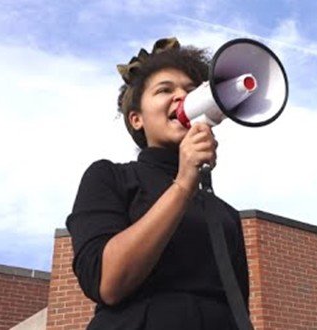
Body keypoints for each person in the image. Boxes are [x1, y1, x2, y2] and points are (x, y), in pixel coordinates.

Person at [66, 37, 249, 329]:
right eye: (165, 90)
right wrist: (183, 184)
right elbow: (107, 282)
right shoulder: (110, 177)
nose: (181, 97)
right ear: (136, 119)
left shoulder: (224, 214)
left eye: (191, 91)